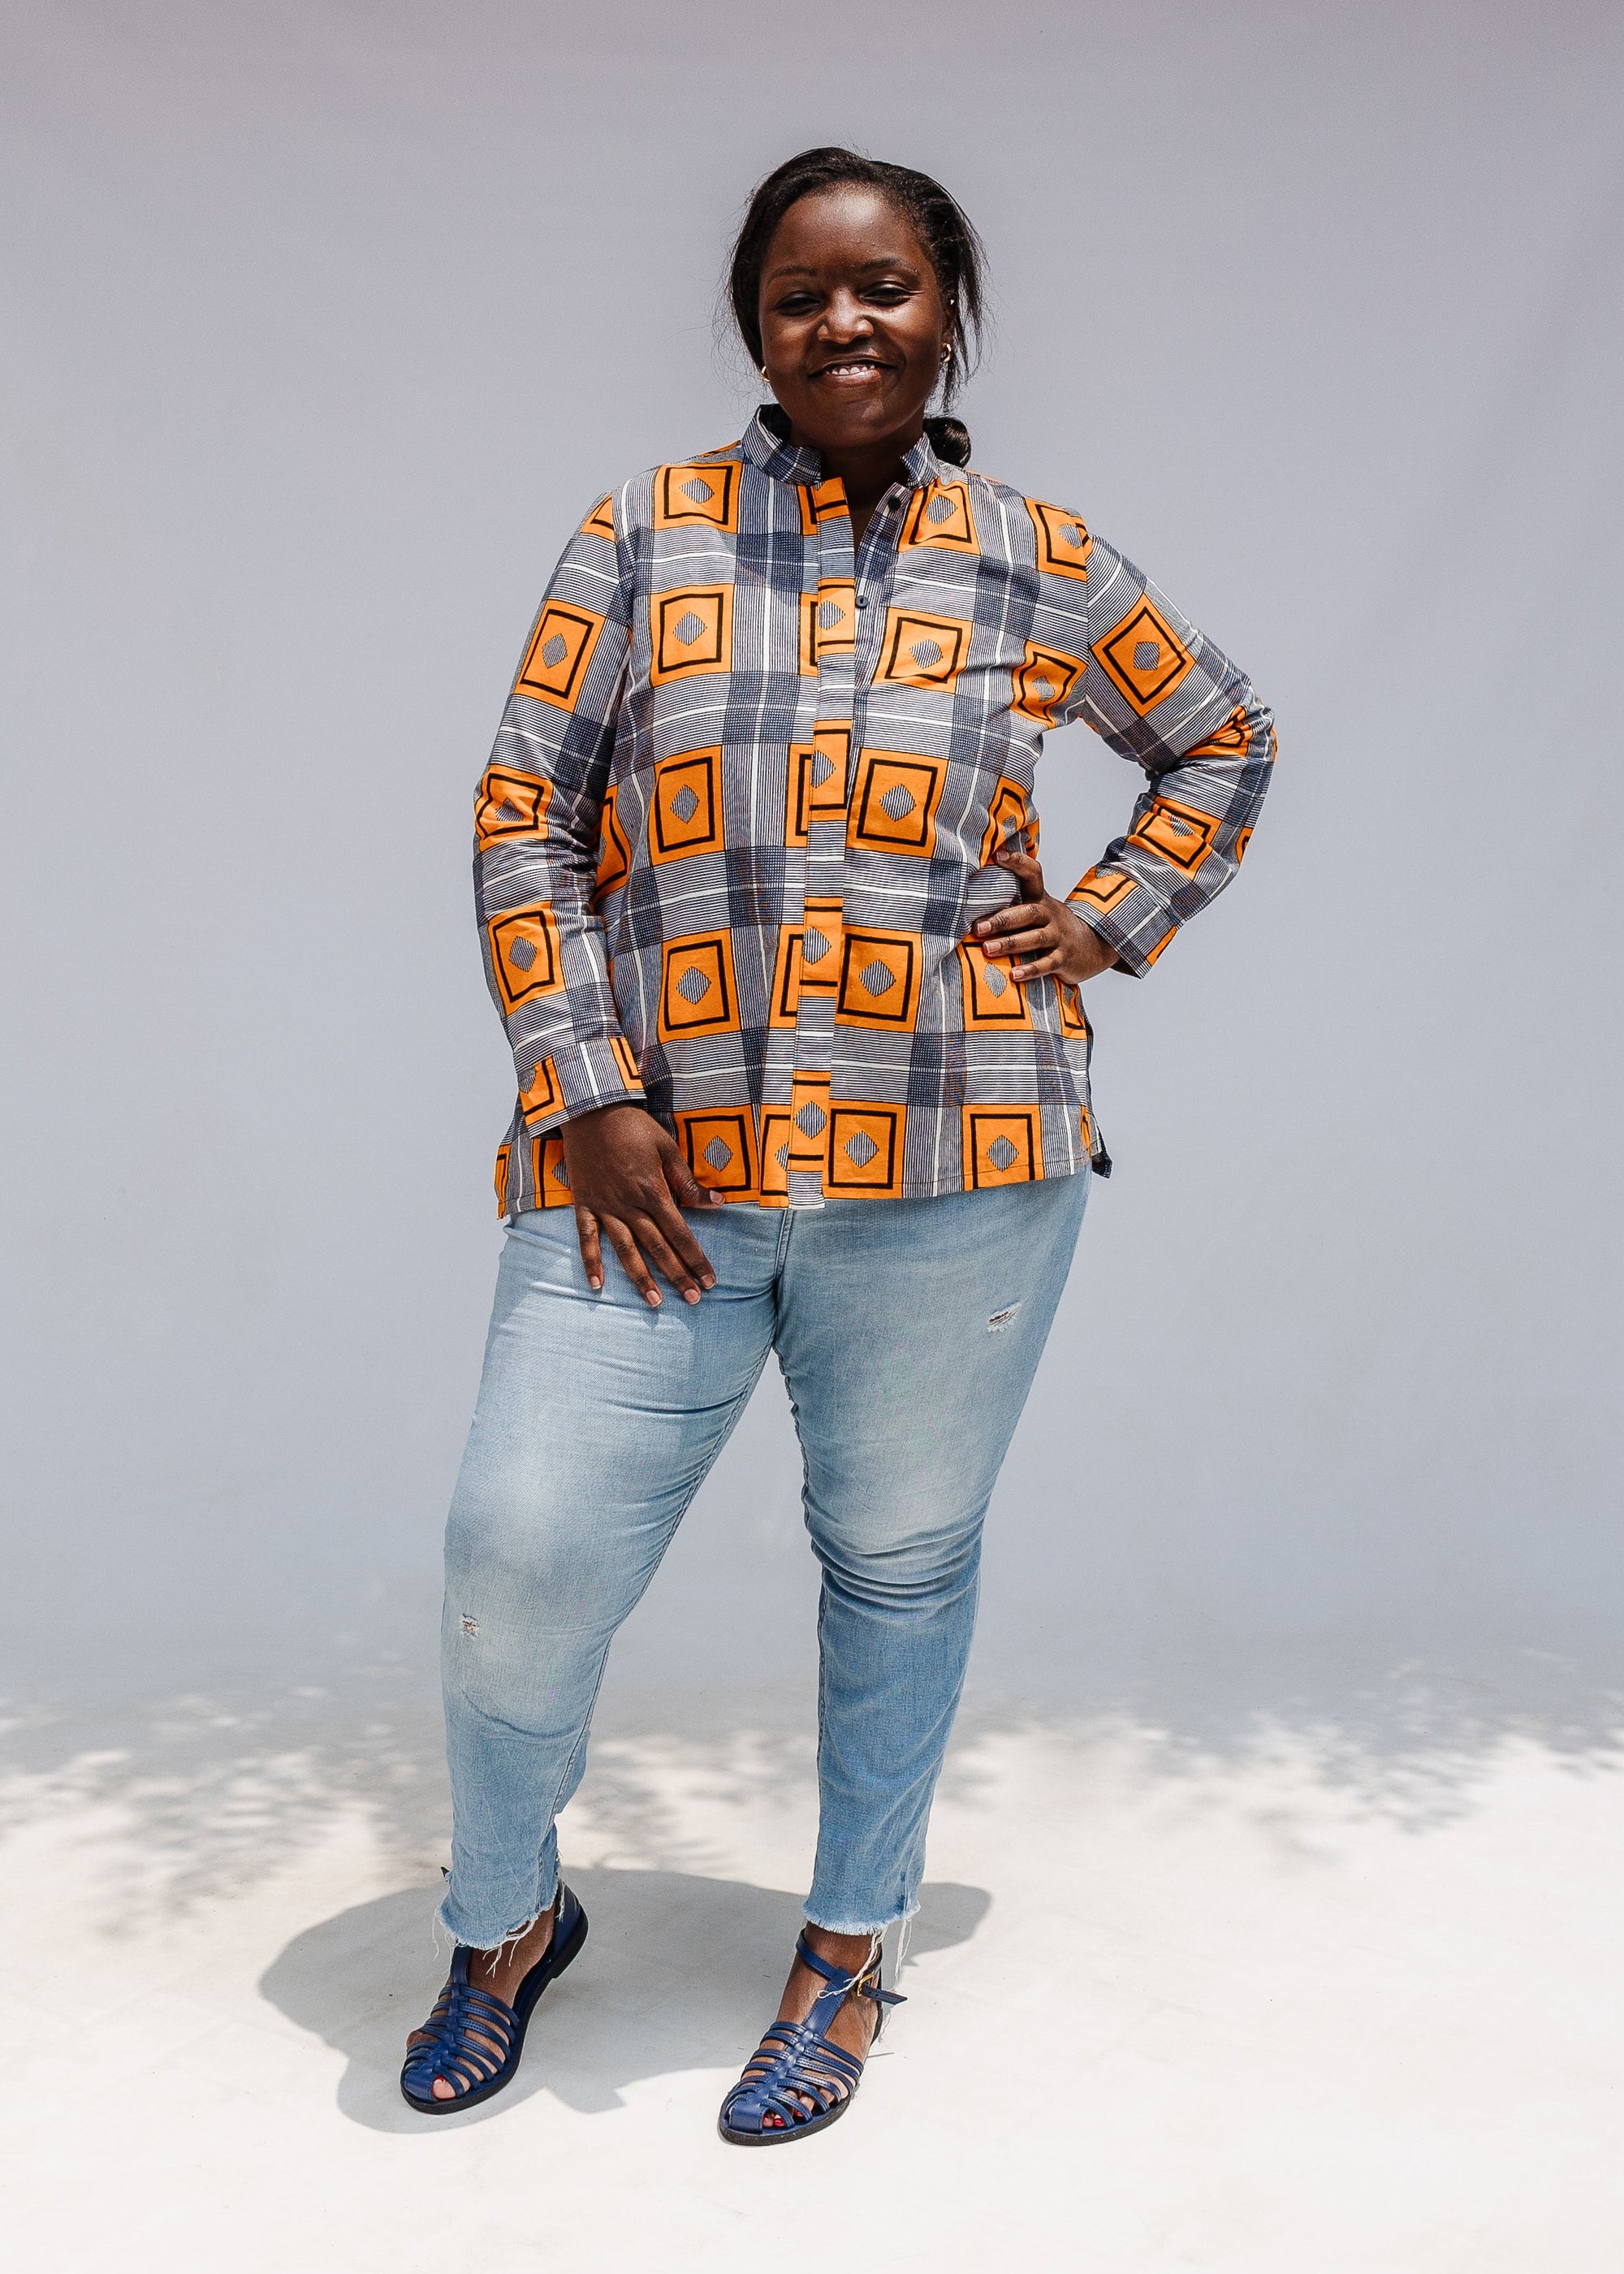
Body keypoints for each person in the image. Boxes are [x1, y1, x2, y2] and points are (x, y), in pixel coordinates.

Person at [401, 145, 1274, 2141]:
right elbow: (521, 807)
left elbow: (1220, 734)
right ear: (754, 322)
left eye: (881, 286)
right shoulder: (644, 531)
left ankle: (848, 1942)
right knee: (517, 1552)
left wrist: (1113, 914)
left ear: (945, 305)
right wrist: (587, 1086)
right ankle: (508, 1913)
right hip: (652, 1181)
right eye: (800, 293)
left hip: (959, 1162)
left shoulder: (1039, 552)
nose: (842, 322)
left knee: (897, 1560)